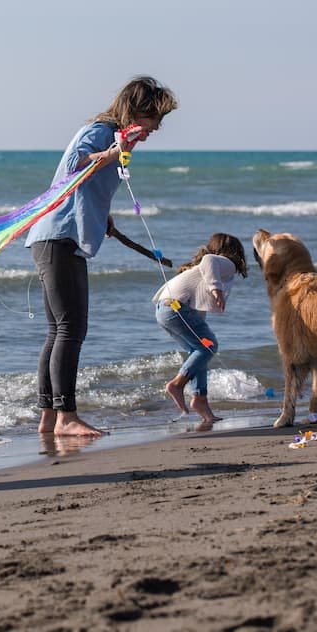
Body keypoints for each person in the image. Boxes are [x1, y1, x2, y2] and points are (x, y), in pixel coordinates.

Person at [24, 76, 178, 437]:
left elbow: (85, 184)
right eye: (155, 118)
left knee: (58, 330)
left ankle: (49, 418)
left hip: (57, 237)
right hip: (58, 237)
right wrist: (113, 150)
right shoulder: (100, 131)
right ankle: (66, 418)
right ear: (138, 112)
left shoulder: (114, 137)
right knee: (70, 329)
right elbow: (76, 168)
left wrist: (100, 215)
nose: (157, 127)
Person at [155, 233, 249, 423]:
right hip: (175, 308)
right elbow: (208, 260)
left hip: (165, 310)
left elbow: (199, 306)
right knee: (208, 346)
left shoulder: (202, 270)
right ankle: (177, 384)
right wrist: (217, 290)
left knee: (200, 350)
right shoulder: (225, 263)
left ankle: (201, 401)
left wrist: (204, 336)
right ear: (236, 252)